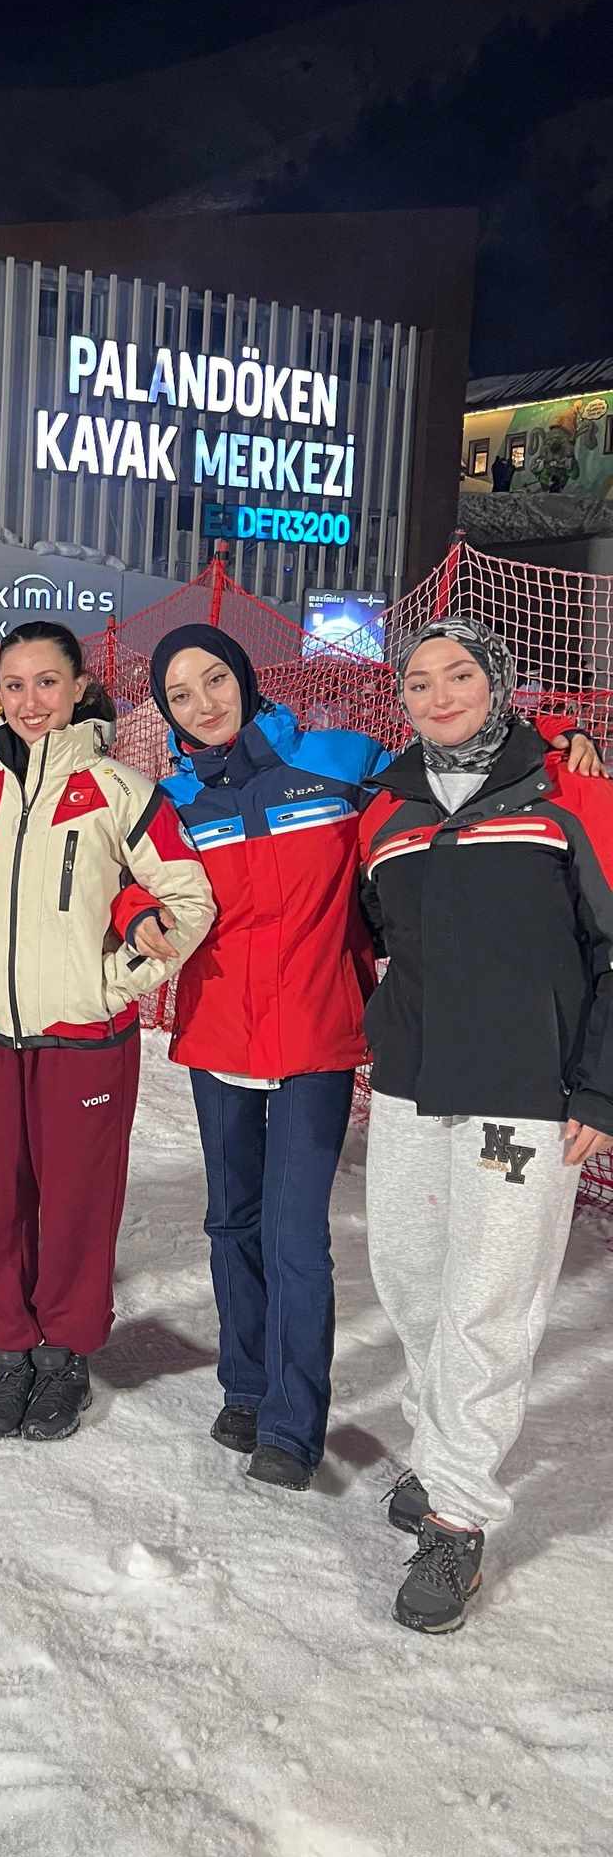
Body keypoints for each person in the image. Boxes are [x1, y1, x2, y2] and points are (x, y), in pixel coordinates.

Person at [117, 625, 604, 1494]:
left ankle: (291, 1422)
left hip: (318, 1031)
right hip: (219, 1034)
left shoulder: (343, 762)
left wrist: (561, 735)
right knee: (230, 1224)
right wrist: (131, 913)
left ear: (245, 677)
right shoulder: (173, 799)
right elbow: (128, 873)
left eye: (216, 680)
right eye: (180, 696)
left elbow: (452, 768)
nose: (204, 704)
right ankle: (245, 1385)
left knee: (295, 1234)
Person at [359, 618, 613, 1634]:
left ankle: (457, 1515)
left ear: (497, 681)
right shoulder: (386, 812)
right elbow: (370, 937)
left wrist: (600, 1090)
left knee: (486, 1302)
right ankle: (439, 1454)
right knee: (412, 1282)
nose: (440, 693)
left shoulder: (569, 792)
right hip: (411, 1087)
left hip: (525, 1093)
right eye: (419, 681)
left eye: (459, 672)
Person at [0, 623, 215, 1438]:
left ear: (79, 687)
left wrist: (112, 982)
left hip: (83, 1040)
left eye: (47, 682)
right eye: (14, 684)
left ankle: (64, 1357)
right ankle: (9, 1353)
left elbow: (188, 900)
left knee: (77, 1208)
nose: (30, 701)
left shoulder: (121, 790)